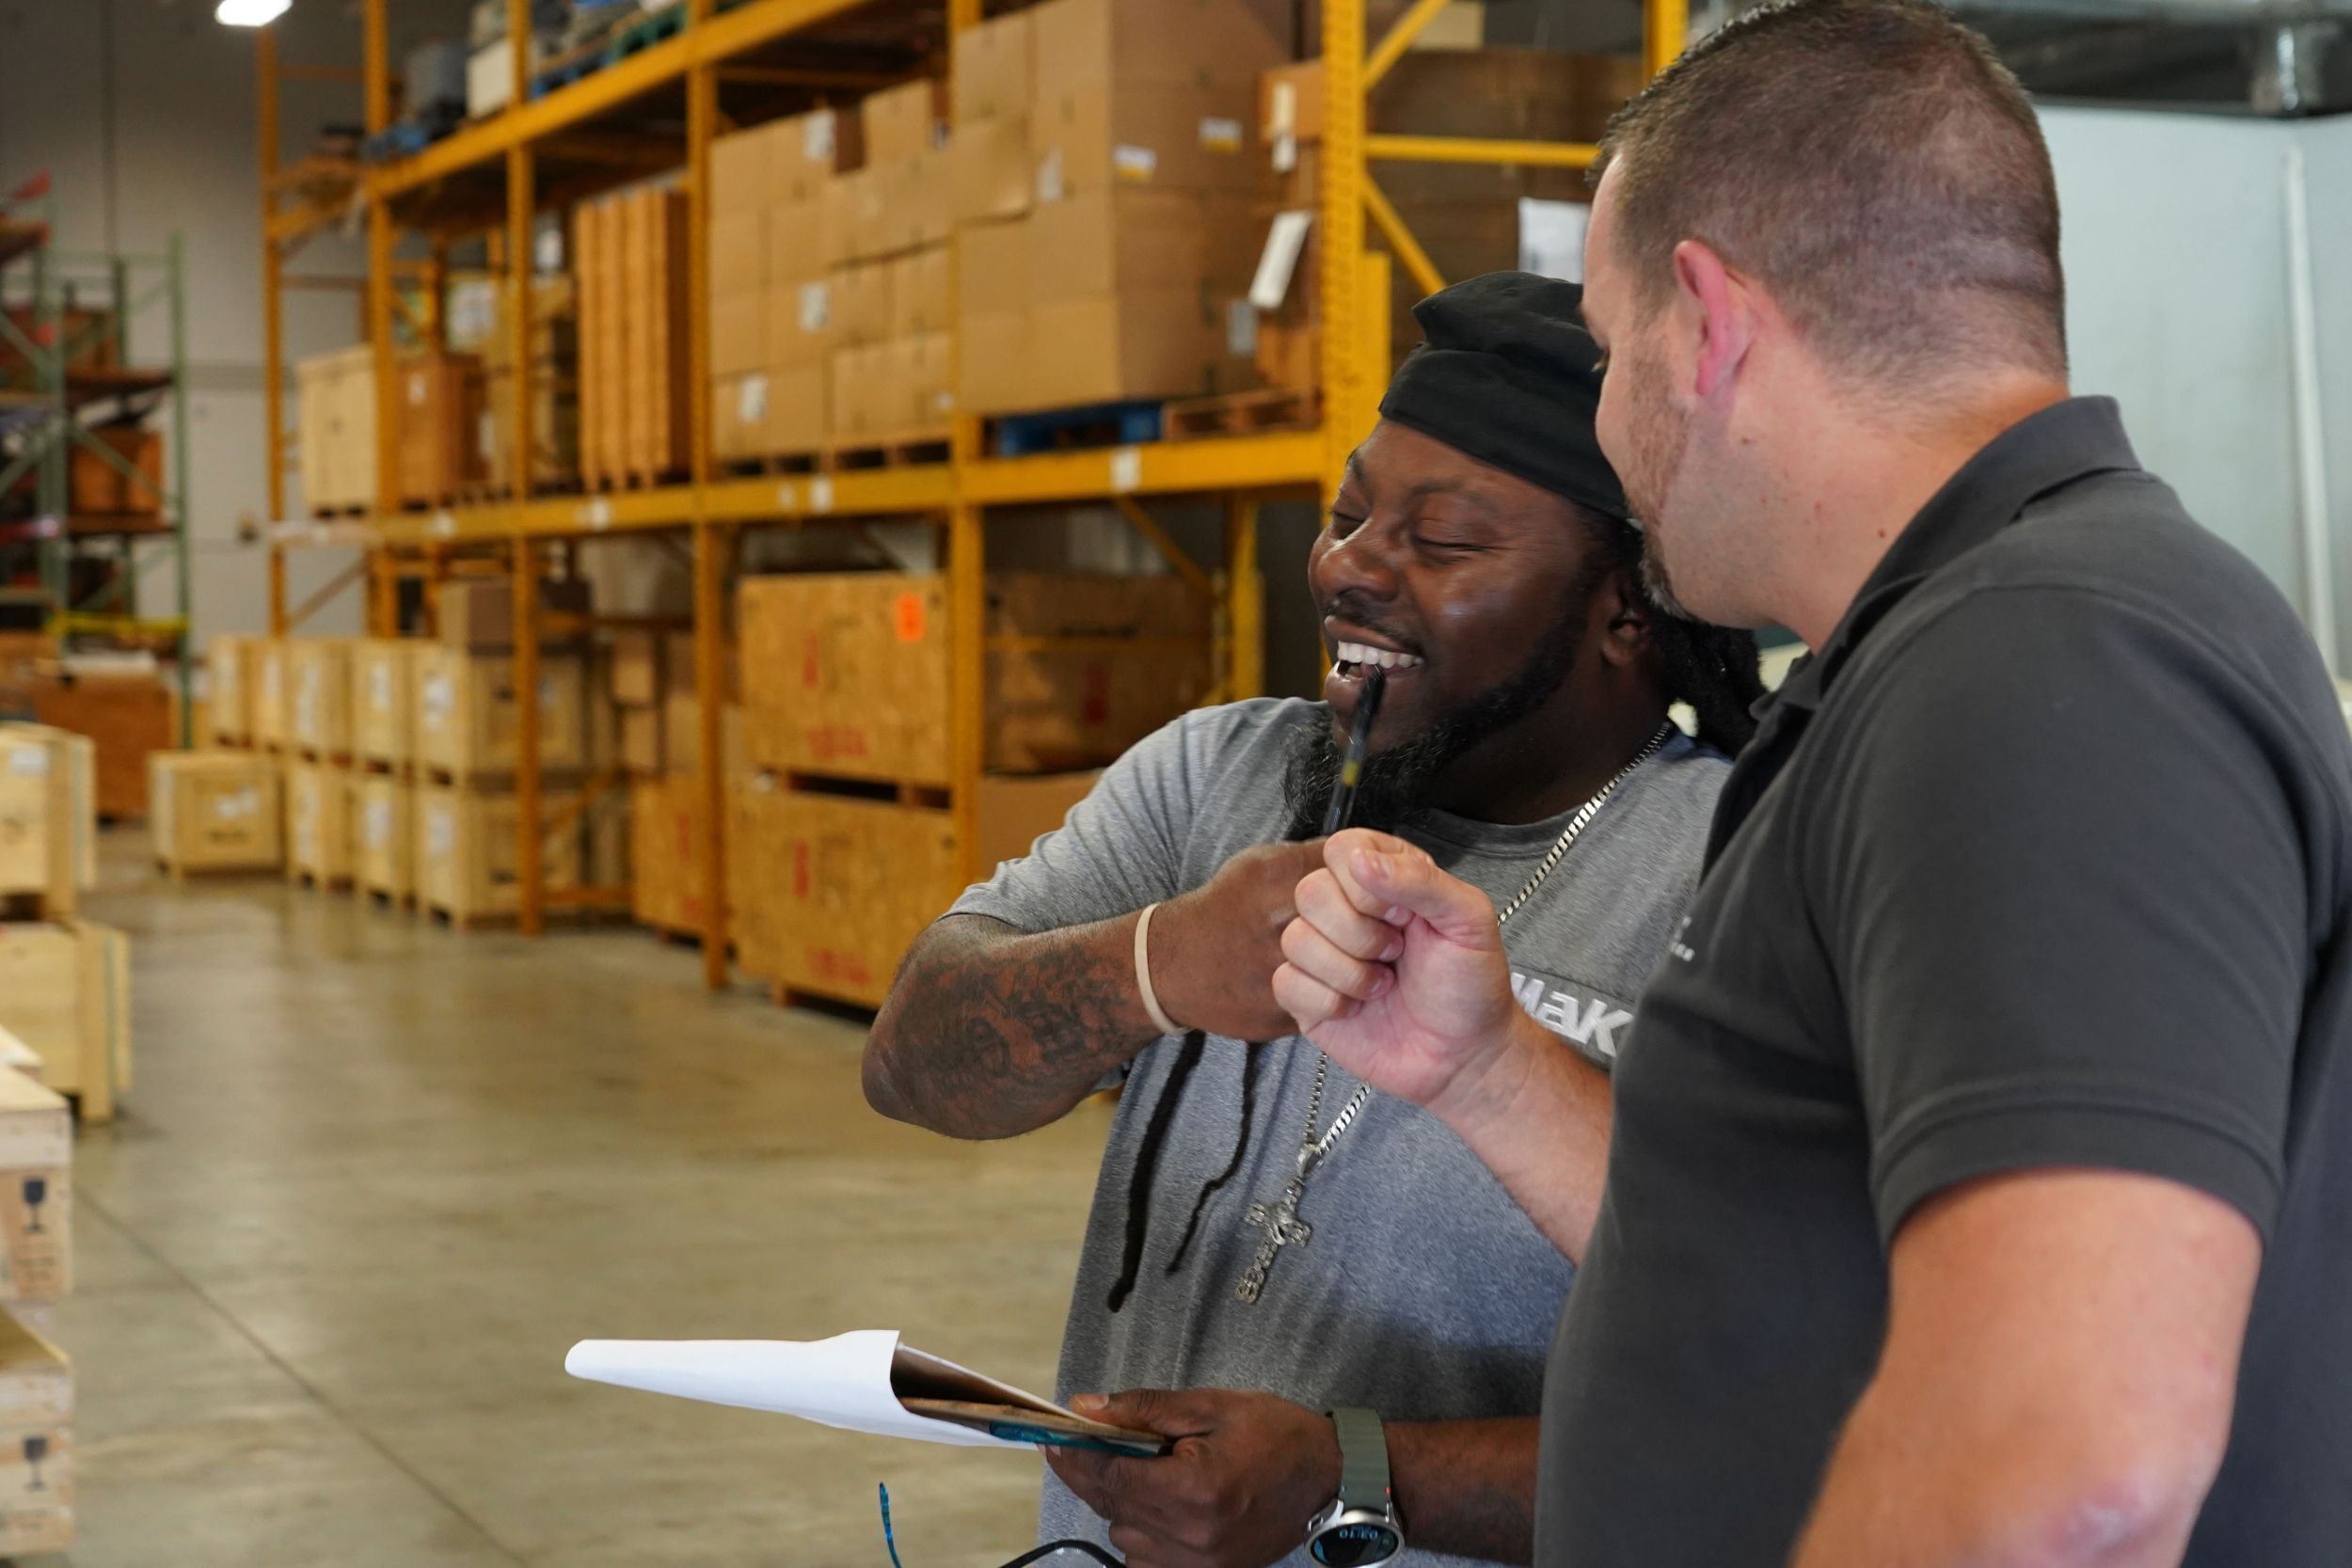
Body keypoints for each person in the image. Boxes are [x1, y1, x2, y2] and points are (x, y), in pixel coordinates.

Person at [1276, 4, 2352, 1566]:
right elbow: (1795, 1263)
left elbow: (2069, 1461)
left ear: (1706, 321)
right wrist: (1486, 1068)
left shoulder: (2042, 667)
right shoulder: (1951, 657)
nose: (1605, 421)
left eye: (1608, 341)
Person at [863, 273, 1761, 1568]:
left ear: (1627, 605)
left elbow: (1784, 1416)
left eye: (1440, 542)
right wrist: (1153, 964)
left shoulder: (1735, 874)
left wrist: (1355, 1478)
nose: (1349, 568)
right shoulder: (1217, 777)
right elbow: (908, 1062)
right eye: (1347, 517)